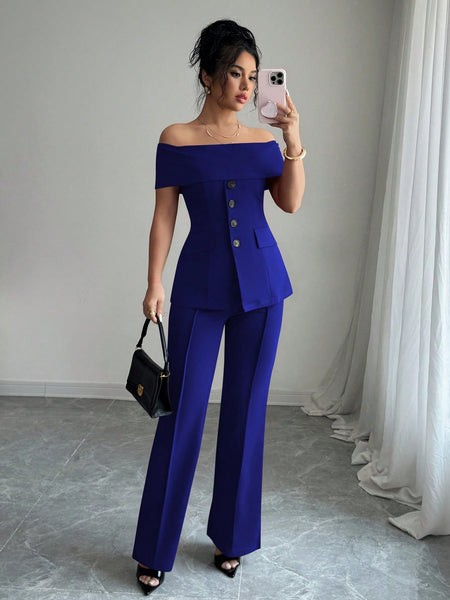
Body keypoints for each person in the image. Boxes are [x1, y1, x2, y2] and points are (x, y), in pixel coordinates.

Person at [132, 18, 305, 596]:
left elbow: (290, 203)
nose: (246, 86)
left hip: (263, 291)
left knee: (246, 414)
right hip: (198, 290)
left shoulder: (263, 142)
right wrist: (154, 282)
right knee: (179, 415)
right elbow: (164, 215)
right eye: (235, 73)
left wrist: (293, 139)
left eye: (253, 76)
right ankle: (155, 548)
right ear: (208, 76)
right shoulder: (176, 139)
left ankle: (233, 537)